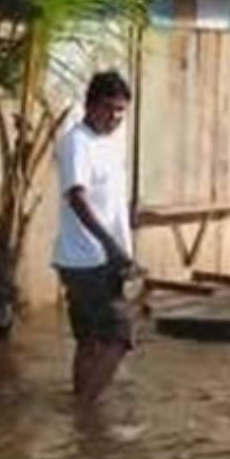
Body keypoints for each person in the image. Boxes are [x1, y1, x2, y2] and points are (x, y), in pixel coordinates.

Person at [54, 71, 137, 411]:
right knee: (120, 337)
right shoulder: (77, 142)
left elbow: (109, 200)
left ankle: (80, 415)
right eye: (109, 108)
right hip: (89, 260)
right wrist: (111, 246)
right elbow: (77, 196)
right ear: (90, 105)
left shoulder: (109, 143)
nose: (115, 117)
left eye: (121, 110)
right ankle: (86, 411)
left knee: (88, 341)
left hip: (97, 260)